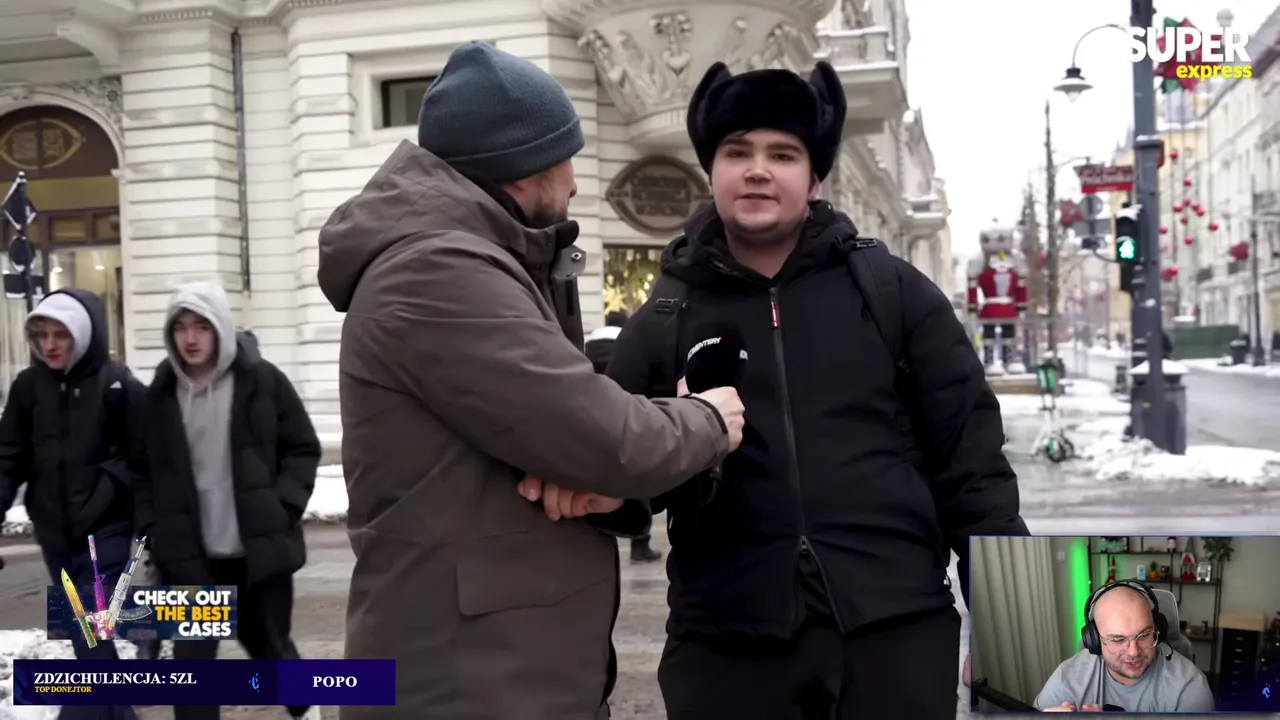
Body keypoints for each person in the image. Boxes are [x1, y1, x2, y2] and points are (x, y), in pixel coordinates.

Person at [534, 61, 1028, 719]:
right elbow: (617, 462)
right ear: (712, 170)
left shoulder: (892, 294)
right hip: (726, 647)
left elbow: (974, 471)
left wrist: (1014, 633)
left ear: (814, 177)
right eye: (737, 152)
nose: (757, 170)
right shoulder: (667, 315)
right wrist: (615, 488)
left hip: (895, 633)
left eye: (783, 154)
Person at [315, 41, 745, 720]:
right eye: (566, 157)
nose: (574, 183)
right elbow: (607, 438)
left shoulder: (469, 258)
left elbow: (562, 434)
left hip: (495, 672)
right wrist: (709, 418)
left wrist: (590, 479)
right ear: (523, 165)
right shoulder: (437, 271)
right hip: (467, 685)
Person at [133, 282, 321, 720]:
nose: (190, 338)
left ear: (220, 326)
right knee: (192, 673)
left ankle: (305, 707)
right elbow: (141, 471)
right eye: (180, 327)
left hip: (256, 555)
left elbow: (302, 447)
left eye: (201, 326)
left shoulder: (263, 381)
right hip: (192, 560)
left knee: (271, 649)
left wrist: (282, 507)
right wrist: (155, 530)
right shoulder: (160, 394)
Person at [0, 289, 146, 720]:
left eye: (60, 334)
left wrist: (112, 488)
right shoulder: (29, 387)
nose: (49, 345)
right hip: (54, 533)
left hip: (107, 530)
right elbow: (8, 458)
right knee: (91, 641)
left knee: (89, 631)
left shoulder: (118, 385)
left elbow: (146, 459)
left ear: (82, 334)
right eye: (41, 335)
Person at [1035, 582, 1214, 712]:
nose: (1134, 652)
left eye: (1144, 635)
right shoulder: (1066, 679)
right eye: (1118, 639)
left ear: (1157, 630)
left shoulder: (1188, 687)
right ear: (1094, 640)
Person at [585, 311, 662, 564]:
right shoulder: (630, 338)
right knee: (638, 477)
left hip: (592, 415)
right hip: (624, 413)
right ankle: (640, 546)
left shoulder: (592, 340)